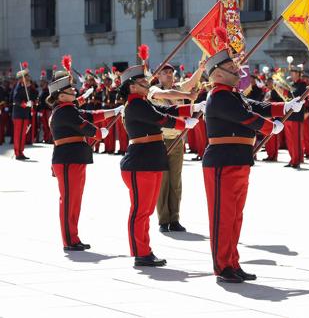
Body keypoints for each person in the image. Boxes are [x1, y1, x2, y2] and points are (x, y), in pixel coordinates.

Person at [201, 50, 303, 283]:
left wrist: (285, 106)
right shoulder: (219, 96)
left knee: (235, 216)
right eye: (231, 67)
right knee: (223, 217)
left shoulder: (233, 95)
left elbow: (257, 106)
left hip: (238, 159)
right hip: (223, 161)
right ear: (217, 73)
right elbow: (246, 117)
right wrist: (269, 127)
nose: (238, 70)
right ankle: (222, 266)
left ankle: (232, 262)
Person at [118, 64, 202, 267]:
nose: (147, 83)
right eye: (143, 81)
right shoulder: (136, 104)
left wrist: (192, 108)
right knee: (141, 211)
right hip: (140, 162)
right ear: (132, 86)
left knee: (145, 211)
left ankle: (145, 250)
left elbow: (166, 108)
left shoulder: (143, 102)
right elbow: (161, 118)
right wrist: (183, 123)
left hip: (150, 161)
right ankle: (140, 253)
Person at [47, 73, 123, 251]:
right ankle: (69, 240)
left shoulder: (69, 109)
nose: (74, 91)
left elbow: (89, 115)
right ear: (61, 95)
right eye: (70, 89)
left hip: (74, 158)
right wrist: (98, 133)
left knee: (75, 200)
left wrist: (113, 111)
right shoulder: (64, 111)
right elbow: (83, 125)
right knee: (68, 201)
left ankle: (73, 237)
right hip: (67, 159)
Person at [148, 62, 203, 233]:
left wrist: (200, 68)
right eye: (165, 72)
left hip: (177, 139)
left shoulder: (179, 87)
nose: (169, 75)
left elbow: (192, 82)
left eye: (171, 72)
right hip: (160, 140)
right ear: (158, 76)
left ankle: (175, 219)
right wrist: (187, 95)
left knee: (176, 181)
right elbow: (167, 94)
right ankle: (163, 220)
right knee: (163, 181)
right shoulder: (153, 90)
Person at [284, 65, 306, 168]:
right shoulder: (291, 84)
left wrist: (287, 90)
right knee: (289, 139)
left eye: (293, 72)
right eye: (291, 72)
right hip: (289, 115)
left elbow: (297, 96)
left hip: (296, 116)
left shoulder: (302, 84)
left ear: (298, 73)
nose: (291, 74)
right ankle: (292, 158)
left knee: (296, 139)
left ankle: (296, 160)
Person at [12, 67, 36, 160]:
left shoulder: (26, 87)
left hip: (24, 113)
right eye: (26, 77)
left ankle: (21, 152)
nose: (27, 78)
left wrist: (31, 102)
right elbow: (16, 100)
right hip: (18, 113)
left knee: (22, 134)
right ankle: (17, 153)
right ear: (22, 78)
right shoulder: (18, 87)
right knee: (18, 134)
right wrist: (25, 104)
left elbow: (32, 96)